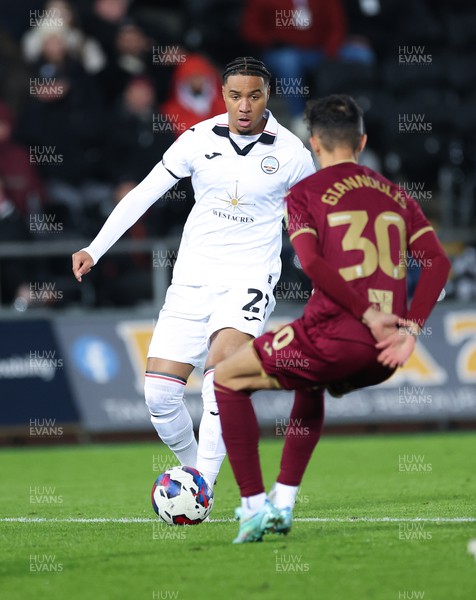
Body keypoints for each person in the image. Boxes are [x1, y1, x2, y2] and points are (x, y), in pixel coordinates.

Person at [213, 94, 451, 543]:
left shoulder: (303, 193)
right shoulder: (397, 194)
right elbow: (437, 262)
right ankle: (283, 503)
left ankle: (251, 508)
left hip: (335, 335)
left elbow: (314, 265)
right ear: (361, 141)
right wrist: (410, 328)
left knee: (226, 378)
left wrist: (364, 313)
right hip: (384, 354)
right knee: (309, 382)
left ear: (313, 143)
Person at [72, 57, 316, 489]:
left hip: (247, 280)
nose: (244, 105)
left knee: (220, 375)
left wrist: (324, 283)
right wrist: (96, 247)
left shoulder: (293, 154)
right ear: (223, 96)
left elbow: (310, 227)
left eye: (254, 96)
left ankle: (200, 484)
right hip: (191, 280)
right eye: (236, 95)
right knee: (160, 397)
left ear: (267, 97)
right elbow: (145, 192)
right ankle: (195, 472)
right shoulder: (197, 139)